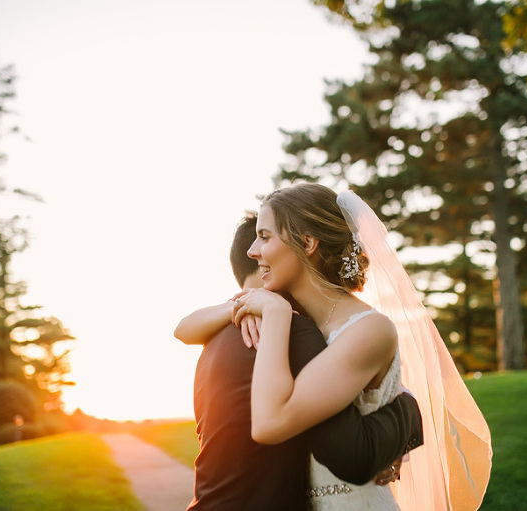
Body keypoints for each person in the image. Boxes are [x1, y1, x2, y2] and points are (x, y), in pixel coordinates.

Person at [232, 183, 493, 510]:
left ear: (308, 243)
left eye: (265, 237)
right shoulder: (290, 318)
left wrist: (273, 312)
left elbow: (270, 423)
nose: (252, 251)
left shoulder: (368, 329)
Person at [175, 212, 423, 511]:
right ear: (264, 262)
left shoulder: (213, 337)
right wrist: (408, 410)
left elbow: (182, 329)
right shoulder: (294, 330)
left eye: (266, 238)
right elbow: (351, 449)